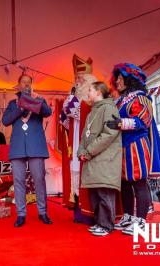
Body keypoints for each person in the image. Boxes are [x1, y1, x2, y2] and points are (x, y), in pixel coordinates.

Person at [106, 63, 160, 235]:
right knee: (125, 184)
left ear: (130, 80)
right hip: (122, 146)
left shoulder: (140, 98)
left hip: (137, 145)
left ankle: (141, 221)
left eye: (120, 78)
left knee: (139, 183)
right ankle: (128, 216)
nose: (117, 81)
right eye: (116, 78)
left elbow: (143, 121)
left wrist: (120, 123)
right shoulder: (120, 101)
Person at [2, 74, 52, 227]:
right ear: (18, 84)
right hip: (18, 147)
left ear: (32, 85)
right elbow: (5, 120)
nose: (26, 85)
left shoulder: (38, 99)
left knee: (39, 179)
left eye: (28, 82)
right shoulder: (12, 103)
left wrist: (40, 100)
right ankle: (21, 214)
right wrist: (20, 107)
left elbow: (47, 112)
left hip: (36, 146)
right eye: (23, 82)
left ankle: (42, 212)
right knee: (18, 181)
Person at [77, 82, 122, 236]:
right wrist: (81, 151)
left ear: (98, 92)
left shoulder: (109, 108)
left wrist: (88, 151)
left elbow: (110, 133)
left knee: (104, 192)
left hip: (105, 160)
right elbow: (85, 135)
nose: (88, 93)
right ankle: (100, 223)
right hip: (93, 159)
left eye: (90, 90)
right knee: (96, 193)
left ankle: (107, 225)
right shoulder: (92, 111)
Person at [60, 55, 97, 223]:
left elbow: (85, 113)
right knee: (75, 174)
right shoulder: (74, 94)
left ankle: (90, 213)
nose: (77, 81)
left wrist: (73, 104)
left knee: (87, 175)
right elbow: (67, 118)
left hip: (88, 141)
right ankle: (79, 212)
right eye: (76, 78)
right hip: (74, 139)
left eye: (80, 78)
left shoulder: (94, 95)